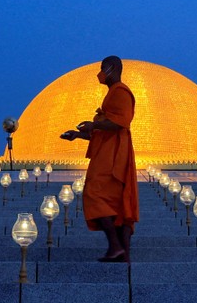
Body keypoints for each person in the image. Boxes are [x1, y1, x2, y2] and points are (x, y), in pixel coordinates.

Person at [61, 56, 139, 262]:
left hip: (113, 156)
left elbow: (120, 123)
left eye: (103, 69)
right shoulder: (112, 94)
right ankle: (121, 253)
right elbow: (104, 130)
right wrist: (78, 135)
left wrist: (94, 124)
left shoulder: (121, 92)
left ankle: (116, 246)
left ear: (112, 69)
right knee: (113, 201)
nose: (100, 74)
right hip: (105, 152)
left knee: (94, 194)